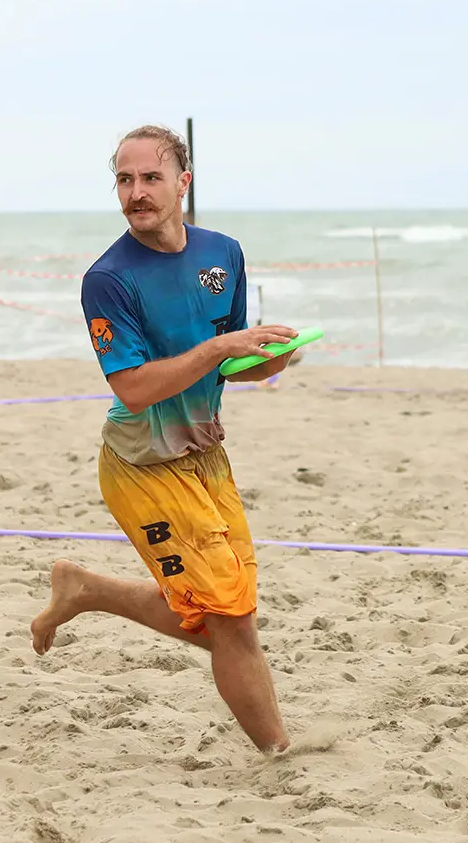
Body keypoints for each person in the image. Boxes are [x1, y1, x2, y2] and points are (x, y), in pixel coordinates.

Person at [30, 124, 298, 754]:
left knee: (233, 616)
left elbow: (229, 364)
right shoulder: (109, 278)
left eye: (151, 177)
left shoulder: (223, 253)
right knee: (231, 621)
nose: (136, 192)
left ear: (184, 182)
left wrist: (271, 360)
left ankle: (89, 590)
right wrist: (222, 348)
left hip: (205, 453)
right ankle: (280, 757)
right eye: (124, 180)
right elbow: (133, 389)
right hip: (142, 465)